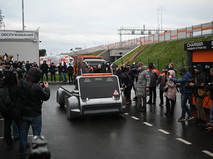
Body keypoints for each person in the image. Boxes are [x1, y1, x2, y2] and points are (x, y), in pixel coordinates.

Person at [18, 67, 50, 159]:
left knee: (23, 136)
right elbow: (46, 97)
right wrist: (46, 88)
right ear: (37, 77)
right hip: (35, 114)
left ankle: (22, 154)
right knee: (36, 136)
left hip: (23, 113)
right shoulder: (36, 87)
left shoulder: (21, 83)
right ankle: (37, 154)